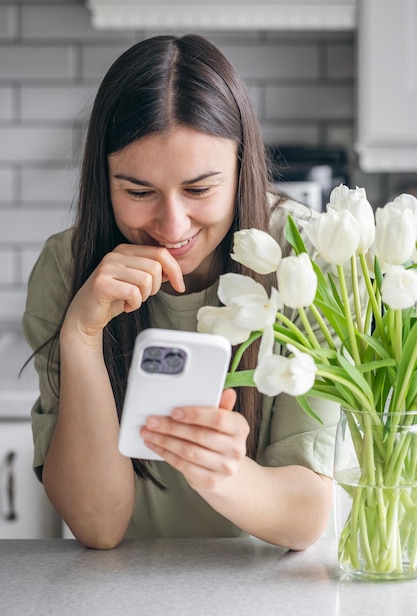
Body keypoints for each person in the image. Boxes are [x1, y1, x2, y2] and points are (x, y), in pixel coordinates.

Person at [23, 34, 339, 550]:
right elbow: (98, 526)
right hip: (124, 587)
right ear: (104, 181)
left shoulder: (304, 259)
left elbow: (305, 518)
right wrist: (81, 336)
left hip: (271, 592)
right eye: (139, 191)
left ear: (241, 168)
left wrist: (223, 473)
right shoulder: (66, 268)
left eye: (199, 189)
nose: (172, 225)